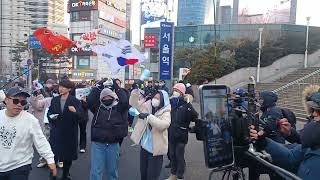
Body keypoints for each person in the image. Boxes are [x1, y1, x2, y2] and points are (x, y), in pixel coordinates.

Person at [250, 93, 320, 180]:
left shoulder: (274, 110)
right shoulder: (313, 142)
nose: (314, 114)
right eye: (313, 110)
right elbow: (291, 158)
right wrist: (262, 141)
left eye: (318, 111)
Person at [0, 87, 57, 179]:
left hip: (20, 166)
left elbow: (40, 140)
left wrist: (50, 159)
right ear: (6, 100)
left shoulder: (30, 120)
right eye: (15, 101)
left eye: (23, 102)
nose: (19, 105)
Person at [130, 89, 171, 180]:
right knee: (143, 175)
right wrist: (135, 93)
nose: (155, 100)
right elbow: (134, 104)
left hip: (155, 152)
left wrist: (149, 116)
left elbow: (163, 125)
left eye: (158, 98)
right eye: (154, 97)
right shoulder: (147, 106)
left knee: (152, 177)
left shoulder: (166, 111)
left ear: (163, 100)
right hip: (144, 148)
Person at [47, 79, 83, 180]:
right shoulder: (54, 100)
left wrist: (75, 112)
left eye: (63, 87)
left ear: (69, 89)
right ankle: (53, 174)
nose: (61, 89)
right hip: (56, 131)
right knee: (53, 154)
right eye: (60, 86)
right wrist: (51, 116)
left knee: (68, 155)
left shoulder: (75, 101)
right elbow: (49, 112)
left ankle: (65, 174)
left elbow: (81, 117)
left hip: (69, 132)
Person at [89, 88, 129, 180]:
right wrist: (97, 87)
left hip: (113, 144)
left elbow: (125, 101)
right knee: (96, 170)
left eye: (109, 97)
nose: (106, 99)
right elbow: (90, 100)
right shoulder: (97, 108)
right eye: (104, 97)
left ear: (113, 97)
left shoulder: (119, 108)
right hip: (98, 144)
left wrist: (118, 88)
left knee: (112, 170)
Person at [166, 83, 198, 180]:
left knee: (179, 156)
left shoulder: (186, 104)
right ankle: (173, 174)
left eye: (177, 90)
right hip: (171, 133)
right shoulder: (171, 103)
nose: (174, 92)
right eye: (174, 90)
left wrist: (189, 104)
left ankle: (180, 176)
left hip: (181, 135)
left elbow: (195, 116)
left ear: (181, 92)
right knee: (172, 155)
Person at [30, 88, 53, 168]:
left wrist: (33, 100)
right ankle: (46, 159)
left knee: (49, 141)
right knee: (46, 141)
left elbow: (38, 107)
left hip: (46, 122)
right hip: (45, 122)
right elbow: (37, 107)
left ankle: (52, 160)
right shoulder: (47, 99)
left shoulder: (41, 98)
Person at [75, 81, 89, 153]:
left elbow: (87, 107)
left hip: (83, 116)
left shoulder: (86, 96)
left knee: (83, 131)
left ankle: (82, 146)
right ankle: (74, 146)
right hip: (74, 115)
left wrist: (84, 101)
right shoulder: (73, 96)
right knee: (74, 131)